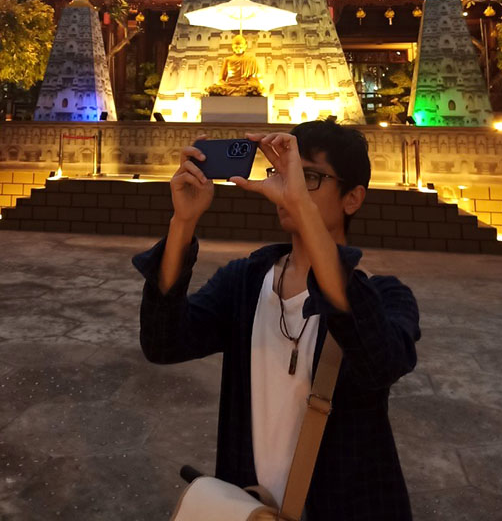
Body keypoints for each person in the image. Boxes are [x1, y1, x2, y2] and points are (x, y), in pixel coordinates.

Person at [132, 120, 420, 521]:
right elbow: (163, 342)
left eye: (310, 177)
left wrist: (302, 207)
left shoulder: (387, 298)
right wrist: (183, 223)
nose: (290, 186)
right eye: (284, 173)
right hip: (252, 509)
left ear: (353, 198)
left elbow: (378, 361)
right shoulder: (245, 282)